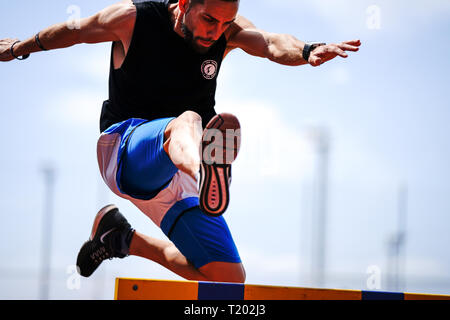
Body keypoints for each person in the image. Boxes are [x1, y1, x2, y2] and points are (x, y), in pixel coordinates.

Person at [0, 0, 361, 283]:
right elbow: (76, 29)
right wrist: (19, 47)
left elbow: (268, 42)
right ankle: (205, 170)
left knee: (227, 280)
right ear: (185, 3)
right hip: (125, 149)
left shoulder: (225, 30)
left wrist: (306, 50)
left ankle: (122, 239)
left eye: (224, 24)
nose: (216, 32)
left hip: (178, 173)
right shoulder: (133, 19)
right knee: (187, 121)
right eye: (209, 21)